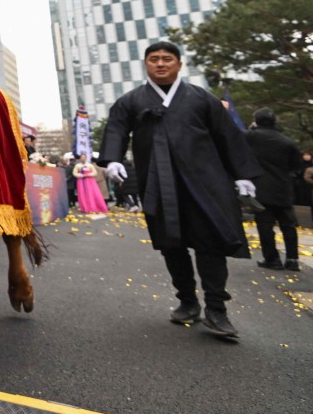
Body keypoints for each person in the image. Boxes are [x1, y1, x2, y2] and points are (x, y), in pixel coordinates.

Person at [98, 41, 262, 338]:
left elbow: (228, 136)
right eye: (154, 59)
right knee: (171, 243)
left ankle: (216, 309)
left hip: (206, 182)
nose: (160, 64)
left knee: (210, 242)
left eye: (167, 59)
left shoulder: (202, 99)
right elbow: (117, 129)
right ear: (146, 64)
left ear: (179, 64)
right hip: (159, 184)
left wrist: (243, 175)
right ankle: (187, 301)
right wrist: (112, 160)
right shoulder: (130, 101)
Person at [245, 108, 302, 271]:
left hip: (261, 188)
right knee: (288, 225)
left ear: (256, 120)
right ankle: (292, 259)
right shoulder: (287, 141)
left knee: (265, 225)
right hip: (283, 188)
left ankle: (272, 258)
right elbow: (296, 166)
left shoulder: (251, 137)